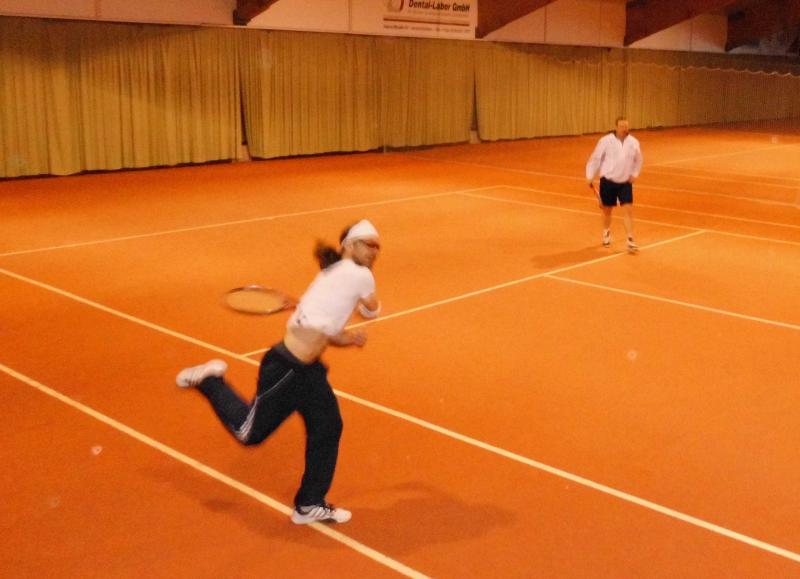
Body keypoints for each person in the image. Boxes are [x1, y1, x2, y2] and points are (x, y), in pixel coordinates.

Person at [175, 219, 381, 525]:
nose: (374, 251)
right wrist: (363, 312)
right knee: (249, 433)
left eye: (377, 247)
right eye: (369, 244)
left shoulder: (331, 275)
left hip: (309, 371)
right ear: (349, 245)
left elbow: (325, 329)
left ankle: (309, 504)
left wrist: (348, 338)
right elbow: (372, 309)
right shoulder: (358, 274)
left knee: (328, 427)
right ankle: (210, 381)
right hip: (287, 368)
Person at [585, 117, 643, 252]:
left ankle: (630, 239)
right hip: (608, 181)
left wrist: (635, 174)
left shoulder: (634, 142)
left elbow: (638, 160)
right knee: (607, 211)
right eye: (622, 126)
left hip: (625, 182)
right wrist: (589, 175)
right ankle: (606, 232)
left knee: (628, 209)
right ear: (616, 127)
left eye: (626, 126)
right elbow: (596, 158)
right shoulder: (605, 141)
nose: (624, 129)